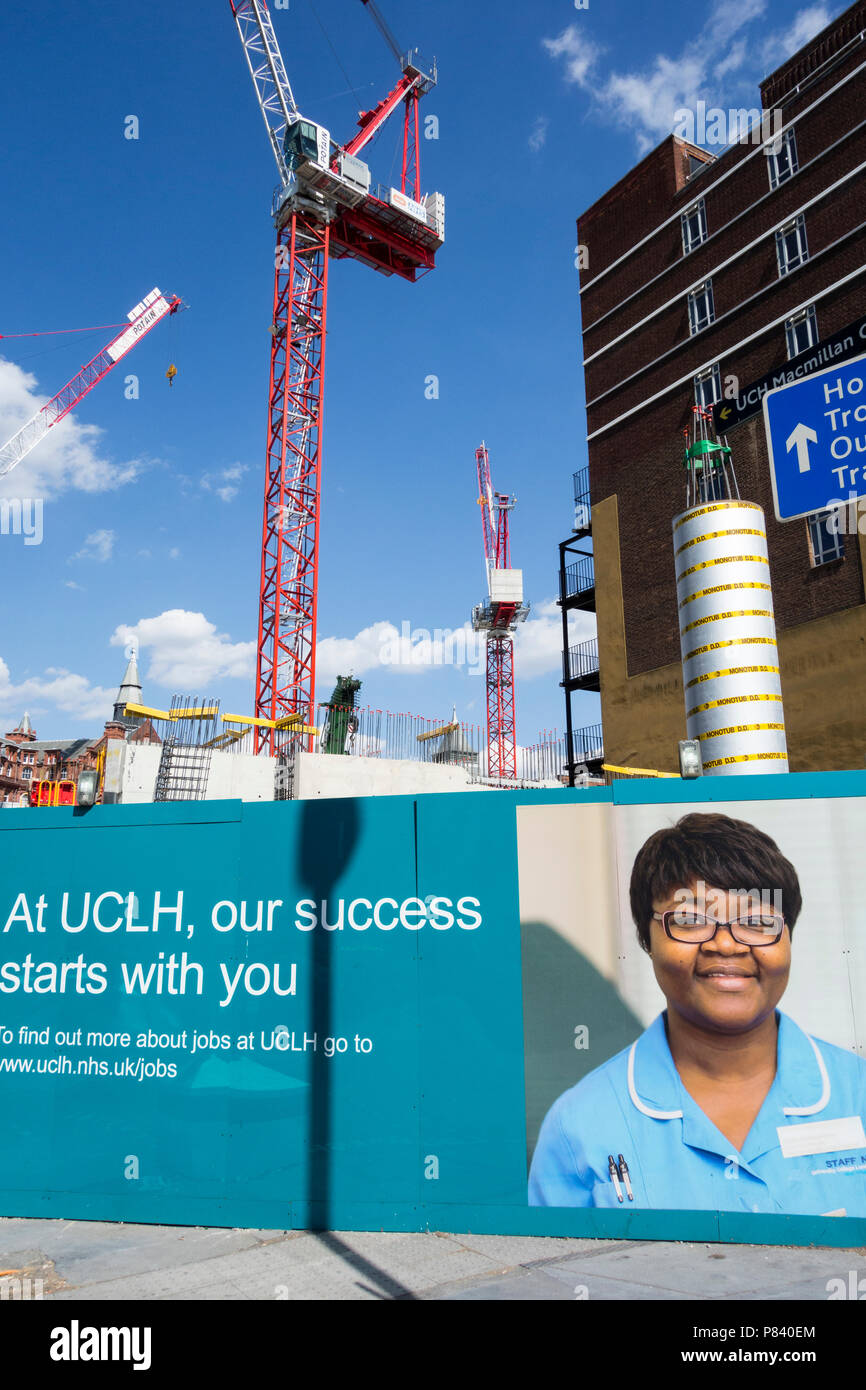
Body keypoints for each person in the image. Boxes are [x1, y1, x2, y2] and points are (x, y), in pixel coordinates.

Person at [528, 812, 866, 1215]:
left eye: (757, 920)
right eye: (689, 919)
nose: (726, 945)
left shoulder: (857, 1093)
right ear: (645, 938)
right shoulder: (578, 1124)